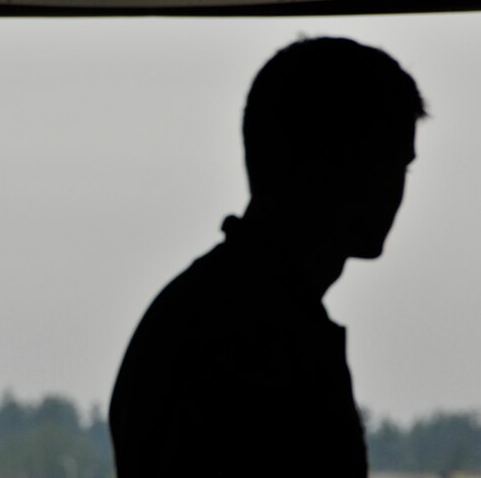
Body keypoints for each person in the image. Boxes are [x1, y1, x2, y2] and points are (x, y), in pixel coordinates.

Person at [109, 37, 427, 477]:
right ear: (329, 160)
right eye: (391, 163)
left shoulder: (212, 313)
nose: (398, 189)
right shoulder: (262, 340)